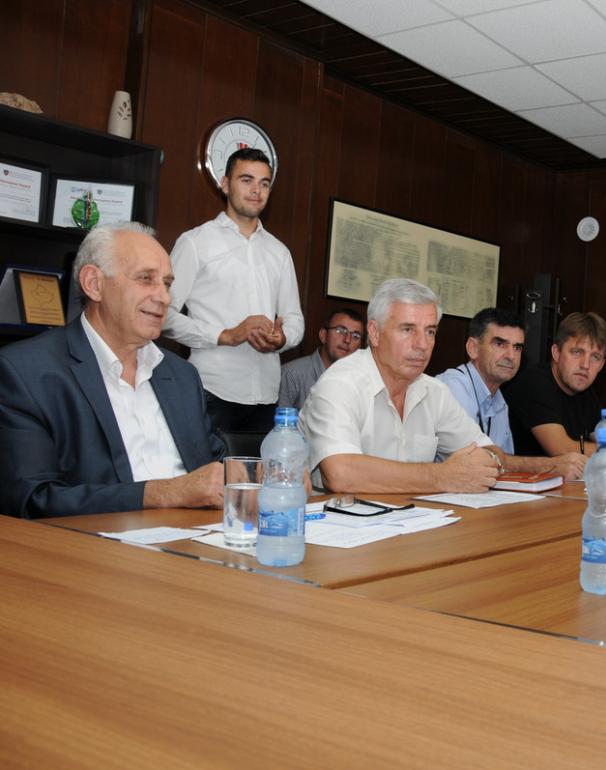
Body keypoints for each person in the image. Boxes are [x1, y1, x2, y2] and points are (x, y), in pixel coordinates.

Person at [0, 223, 226, 519]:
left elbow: (213, 469)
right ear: (94, 284)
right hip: (96, 552)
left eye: (167, 284)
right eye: (146, 279)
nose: (166, 298)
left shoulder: (182, 376)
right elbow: (33, 500)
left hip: (197, 543)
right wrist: (164, 492)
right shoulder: (26, 373)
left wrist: (262, 475)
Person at [299, 279, 571, 493]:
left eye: (430, 331)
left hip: (410, 526)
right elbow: (341, 473)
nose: (422, 344)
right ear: (374, 332)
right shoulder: (341, 383)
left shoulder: (434, 391)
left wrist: (486, 463)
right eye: (407, 329)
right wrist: (443, 476)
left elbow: (489, 452)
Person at [164, 147, 304, 433]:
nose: (257, 190)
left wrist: (282, 338)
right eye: (247, 180)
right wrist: (225, 335)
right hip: (212, 391)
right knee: (211, 478)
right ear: (225, 184)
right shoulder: (195, 242)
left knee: (257, 478)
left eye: (264, 183)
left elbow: (295, 319)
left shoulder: (279, 252)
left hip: (267, 395)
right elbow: (162, 314)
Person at [436, 308, 585, 478]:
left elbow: (504, 467)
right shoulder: (451, 388)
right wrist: (550, 465)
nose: (511, 356)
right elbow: (479, 461)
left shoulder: (499, 399)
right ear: (473, 348)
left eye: (517, 348)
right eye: (500, 344)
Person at [503, 311, 606, 458]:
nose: (585, 365)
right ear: (556, 353)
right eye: (577, 352)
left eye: (595, 357)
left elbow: (603, 438)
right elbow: (561, 450)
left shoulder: (586, 392)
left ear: (601, 365)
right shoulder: (534, 382)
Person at [278, 307, 366, 410]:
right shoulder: (292, 375)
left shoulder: (361, 382)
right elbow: (280, 423)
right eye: (341, 331)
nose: (347, 340)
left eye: (355, 336)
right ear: (323, 335)